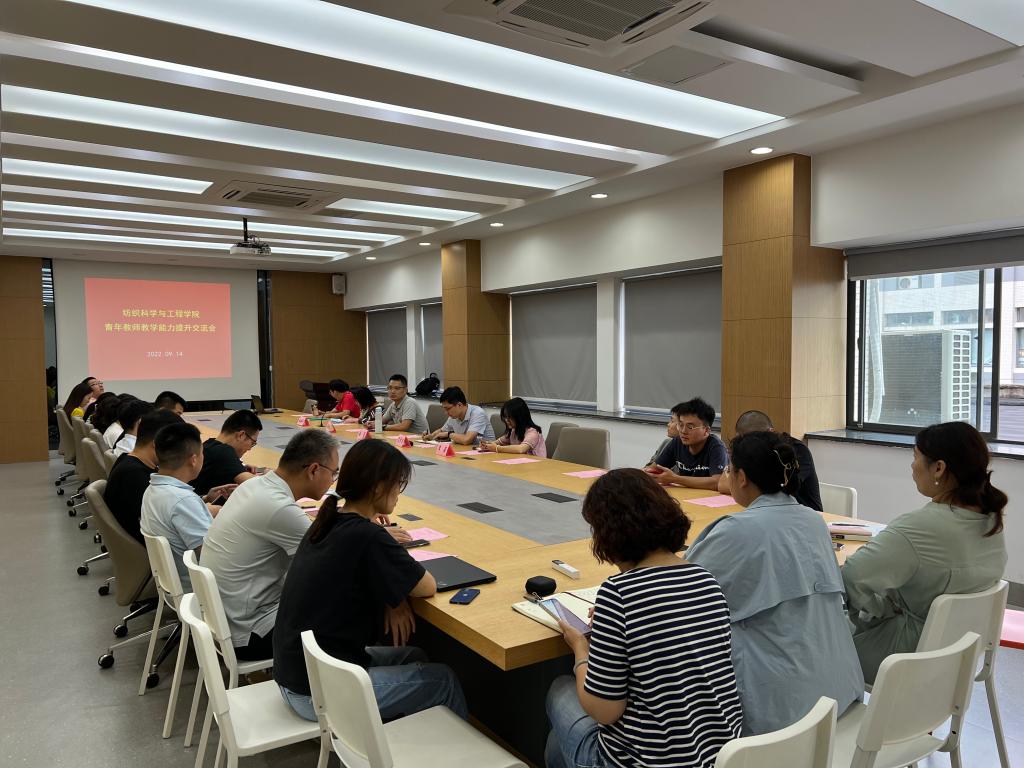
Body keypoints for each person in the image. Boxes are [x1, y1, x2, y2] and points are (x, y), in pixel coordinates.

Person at [545, 469, 742, 768]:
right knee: (558, 745)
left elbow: (604, 711)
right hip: (717, 757)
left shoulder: (618, 593)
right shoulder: (705, 578)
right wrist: (614, 623)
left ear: (609, 534)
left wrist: (580, 650)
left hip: (643, 762)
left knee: (559, 690)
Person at [273, 440, 468, 722]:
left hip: (296, 673)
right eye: (398, 484)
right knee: (443, 680)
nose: (399, 494)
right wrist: (391, 557)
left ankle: (397, 737)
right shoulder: (368, 536)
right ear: (378, 487)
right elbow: (427, 586)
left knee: (414, 656)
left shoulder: (329, 520)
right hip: (316, 692)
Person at [686, 431, 863, 736]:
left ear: (742, 478)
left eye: (729, 469)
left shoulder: (736, 531)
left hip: (786, 716)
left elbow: (678, 592)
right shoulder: (813, 520)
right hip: (841, 690)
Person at [842, 421, 1008, 684]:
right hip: (955, 658)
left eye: (915, 457)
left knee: (809, 642)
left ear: (939, 468)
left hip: (903, 657)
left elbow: (850, 577)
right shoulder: (991, 520)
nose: (912, 466)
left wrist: (880, 608)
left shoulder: (917, 528)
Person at [201, 430, 340, 662]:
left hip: (224, 621)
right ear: (314, 470)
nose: (333, 480)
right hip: (250, 634)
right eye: (333, 472)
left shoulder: (254, 486)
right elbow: (334, 564)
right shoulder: (280, 508)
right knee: (351, 607)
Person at [140, 423, 213, 590]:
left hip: (174, 585)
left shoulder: (152, 489)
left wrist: (204, 501)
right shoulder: (183, 501)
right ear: (193, 460)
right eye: (202, 453)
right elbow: (212, 557)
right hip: (200, 590)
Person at [104, 410, 184, 543]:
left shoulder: (127, 461)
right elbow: (169, 520)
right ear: (157, 443)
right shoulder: (135, 476)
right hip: (149, 548)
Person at [718, 410, 822, 511]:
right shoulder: (744, 450)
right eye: (745, 441)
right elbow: (722, 485)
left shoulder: (792, 450)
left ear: (770, 432)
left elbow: (776, 492)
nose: (749, 446)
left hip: (801, 512)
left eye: (755, 439)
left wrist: (747, 487)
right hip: (766, 511)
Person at [645, 397, 728, 490]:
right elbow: (653, 469)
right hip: (686, 494)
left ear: (706, 431)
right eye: (681, 425)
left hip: (709, 497)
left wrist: (675, 479)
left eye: (690, 427)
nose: (683, 431)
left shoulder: (716, 447)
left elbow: (717, 482)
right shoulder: (677, 442)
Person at [189, 409, 262, 496]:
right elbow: (258, 486)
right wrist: (270, 475)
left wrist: (239, 467)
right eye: (252, 443)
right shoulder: (224, 451)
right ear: (241, 435)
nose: (250, 448)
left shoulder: (209, 444)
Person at [424, 386, 494, 445]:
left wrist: (449, 434)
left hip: (486, 453)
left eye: (448, 409)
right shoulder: (454, 416)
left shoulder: (478, 413)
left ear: (459, 405)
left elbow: (466, 440)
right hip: (466, 451)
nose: (446, 413)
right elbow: (442, 431)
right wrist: (431, 436)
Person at [480, 397, 546, 457]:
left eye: (509, 417)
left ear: (519, 417)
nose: (506, 420)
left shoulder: (532, 432)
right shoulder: (514, 430)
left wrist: (497, 448)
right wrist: (487, 445)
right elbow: (498, 442)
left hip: (537, 464)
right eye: (505, 417)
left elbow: (521, 449)